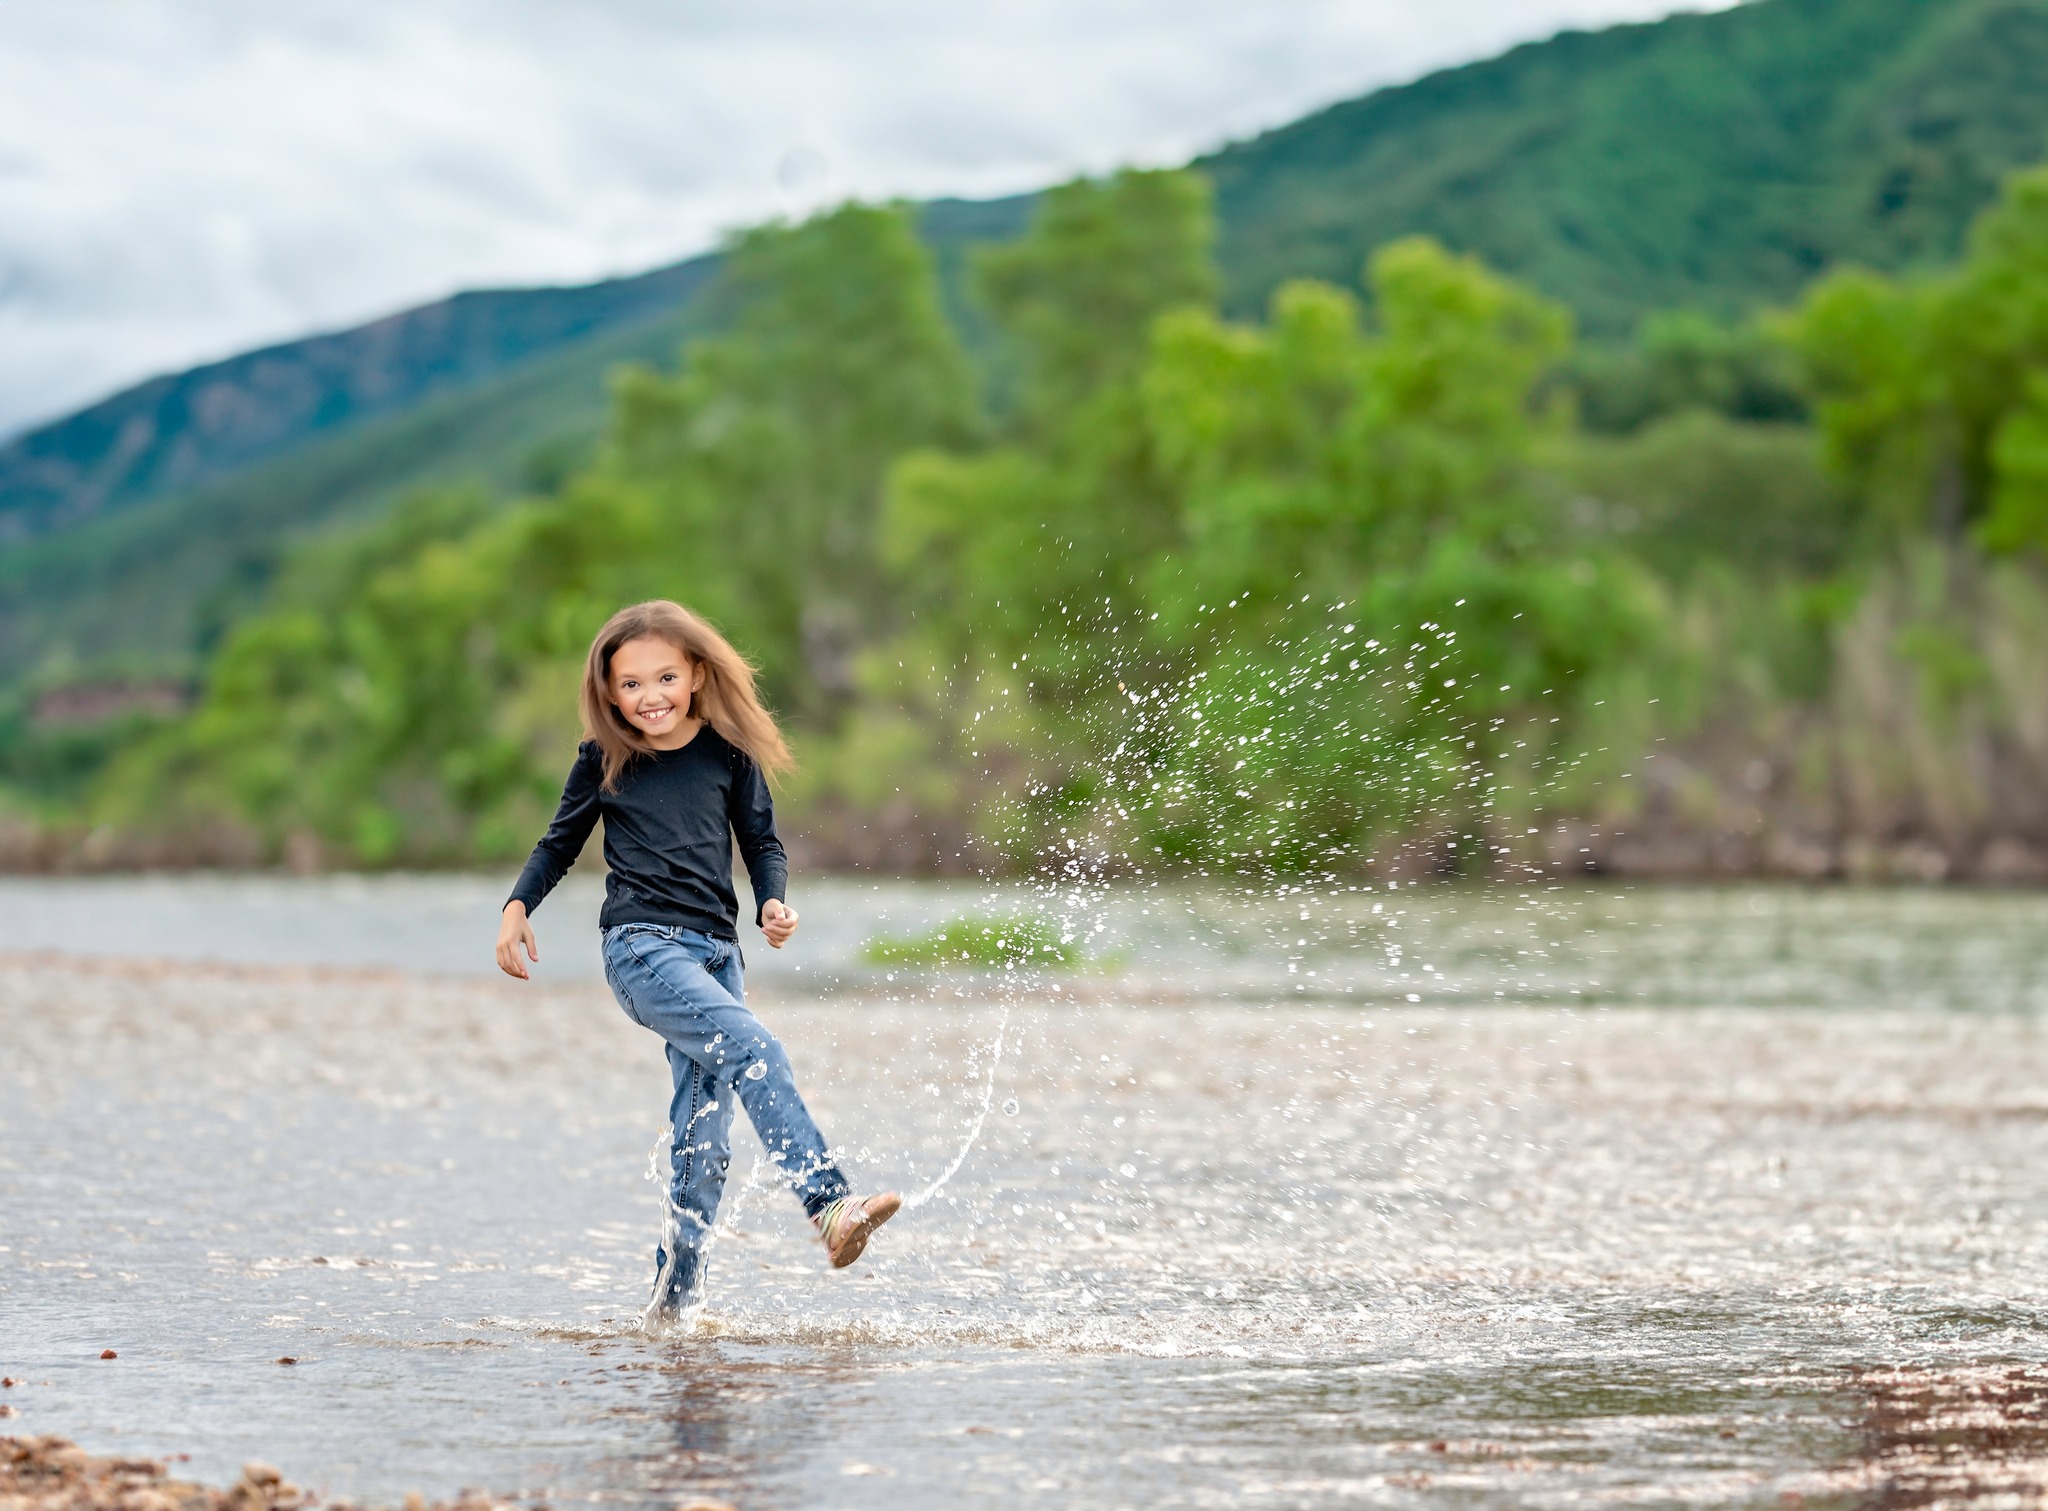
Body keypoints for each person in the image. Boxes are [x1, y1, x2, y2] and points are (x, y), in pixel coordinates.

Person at [495, 599, 899, 1326]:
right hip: (642, 948)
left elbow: (763, 843)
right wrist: (516, 907)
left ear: (697, 675)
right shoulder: (602, 758)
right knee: (755, 1045)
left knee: (705, 1139)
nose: (649, 696)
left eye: (664, 678)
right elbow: (558, 842)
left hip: (718, 956)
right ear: (608, 692)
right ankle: (829, 1203)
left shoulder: (727, 755)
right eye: (629, 684)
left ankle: (672, 1308)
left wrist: (772, 903)